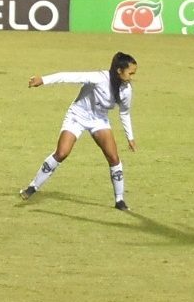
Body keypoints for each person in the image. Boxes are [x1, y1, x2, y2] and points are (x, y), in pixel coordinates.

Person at [19, 52, 138, 211]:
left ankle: (120, 200)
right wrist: (43, 80)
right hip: (78, 115)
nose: (132, 77)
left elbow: (124, 112)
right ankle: (32, 187)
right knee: (62, 153)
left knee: (113, 157)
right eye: (130, 72)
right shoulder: (99, 78)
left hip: (99, 119)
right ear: (119, 70)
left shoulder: (126, 90)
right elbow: (67, 76)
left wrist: (130, 137)